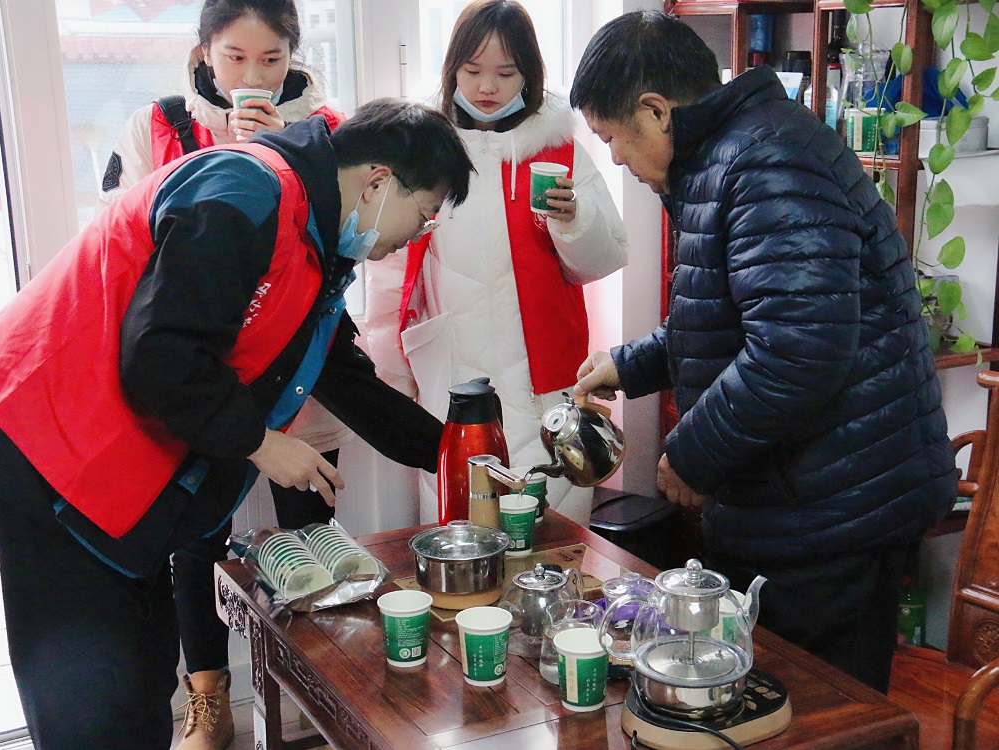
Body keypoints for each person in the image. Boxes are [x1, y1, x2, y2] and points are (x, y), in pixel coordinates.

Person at [0, 98, 473, 750]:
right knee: (95, 708)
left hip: (120, 477)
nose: (417, 235)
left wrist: (455, 454)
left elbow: (343, 377)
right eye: (423, 215)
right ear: (378, 182)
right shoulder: (242, 192)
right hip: (51, 454)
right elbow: (161, 357)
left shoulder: (319, 242)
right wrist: (261, 443)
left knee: (139, 690)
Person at [570, 10, 956, 693]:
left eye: (613, 139)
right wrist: (630, 365)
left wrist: (693, 454)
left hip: (836, 506)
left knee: (822, 712)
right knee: (774, 701)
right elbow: (736, 318)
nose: (618, 160)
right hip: (807, 493)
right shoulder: (730, 156)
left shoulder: (766, 160)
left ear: (655, 111)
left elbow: (797, 350)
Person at [97, 3, 352, 745]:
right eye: (235, 57)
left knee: (310, 527)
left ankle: (321, 690)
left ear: (294, 54)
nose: (252, 76)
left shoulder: (327, 128)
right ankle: (208, 698)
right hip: (193, 376)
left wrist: (285, 157)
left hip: (295, 369)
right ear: (204, 52)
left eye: (271, 59)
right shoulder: (157, 126)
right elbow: (125, 244)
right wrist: (231, 168)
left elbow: (348, 250)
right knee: (195, 539)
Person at [365, 0, 628, 527]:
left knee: (548, 522)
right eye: (472, 70)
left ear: (529, 75)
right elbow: (390, 270)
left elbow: (603, 259)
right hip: (450, 365)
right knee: (460, 519)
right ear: (451, 70)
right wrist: (390, 374)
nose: (488, 86)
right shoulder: (423, 149)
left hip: (541, 373)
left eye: (506, 73)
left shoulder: (558, 148)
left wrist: (573, 220)